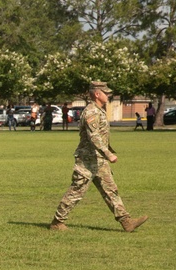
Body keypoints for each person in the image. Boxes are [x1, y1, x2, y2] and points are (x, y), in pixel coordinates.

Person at [49, 81, 148, 233]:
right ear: (97, 94)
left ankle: (126, 222)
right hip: (87, 160)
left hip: (99, 160)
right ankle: (57, 222)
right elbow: (93, 136)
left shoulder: (99, 110)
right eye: (105, 93)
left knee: (111, 190)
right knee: (76, 191)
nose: (108, 95)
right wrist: (109, 154)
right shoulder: (91, 112)